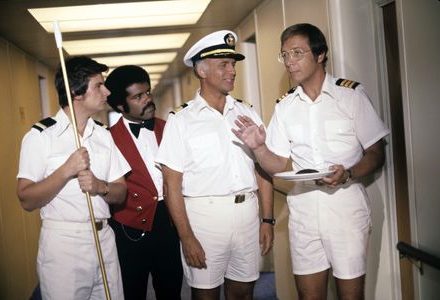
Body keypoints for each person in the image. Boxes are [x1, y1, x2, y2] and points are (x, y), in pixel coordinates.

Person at [233, 23, 390, 299]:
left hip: (345, 208)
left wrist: (348, 173)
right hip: (303, 211)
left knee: (351, 296)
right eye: (285, 55)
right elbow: (279, 166)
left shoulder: (350, 95)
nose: (290, 62)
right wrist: (259, 148)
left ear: (320, 55)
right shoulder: (285, 106)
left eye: (297, 53)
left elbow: (376, 153)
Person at [156, 30, 274, 300]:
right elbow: (171, 184)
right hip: (204, 219)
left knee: (244, 292)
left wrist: (266, 220)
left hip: (247, 214)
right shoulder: (181, 119)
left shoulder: (247, 112)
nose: (232, 71)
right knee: (205, 294)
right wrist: (186, 237)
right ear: (201, 70)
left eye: (233, 64)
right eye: (224, 64)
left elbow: (263, 169)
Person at [17, 56, 130, 300]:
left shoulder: (103, 136)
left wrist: (100, 186)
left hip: (104, 239)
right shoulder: (41, 136)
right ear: (76, 93)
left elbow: (121, 192)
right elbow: (26, 199)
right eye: (99, 85)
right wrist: (66, 170)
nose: (107, 91)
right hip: (64, 244)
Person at [105, 65, 183, 300]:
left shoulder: (169, 128)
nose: (148, 100)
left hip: (169, 222)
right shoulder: (108, 138)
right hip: (130, 228)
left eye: (147, 93)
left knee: (171, 291)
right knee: (132, 292)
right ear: (120, 105)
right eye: (138, 97)